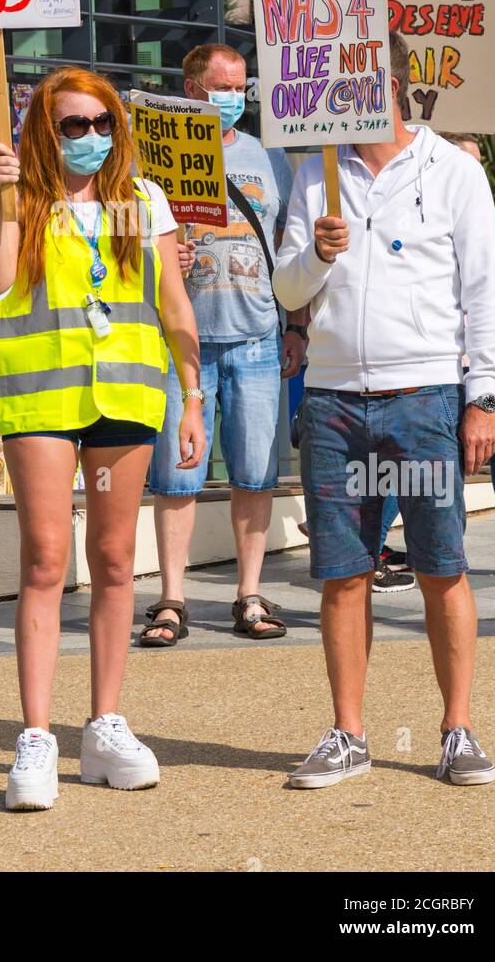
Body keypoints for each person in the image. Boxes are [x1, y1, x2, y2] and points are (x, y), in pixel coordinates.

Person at [273, 33, 495, 790]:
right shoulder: (312, 173)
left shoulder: (452, 172)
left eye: (359, 79)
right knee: (344, 573)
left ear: (395, 85)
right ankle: (347, 733)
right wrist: (316, 255)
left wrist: (480, 398)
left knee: (441, 566)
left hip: (424, 399)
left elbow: (482, 293)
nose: (342, 92)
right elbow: (285, 290)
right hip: (335, 401)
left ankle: (456, 730)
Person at [0, 67, 205, 811]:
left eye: (103, 123)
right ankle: (36, 735)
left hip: (126, 397)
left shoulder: (139, 201)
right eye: (74, 125)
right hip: (41, 397)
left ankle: (104, 724)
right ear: (46, 131)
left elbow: (173, 306)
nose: (91, 137)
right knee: (46, 559)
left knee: (113, 559)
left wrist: (193, 397)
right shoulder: (26, 199)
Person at [140, 44, 307, 646]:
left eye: (241, 86)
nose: (234, 97)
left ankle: (250, 594)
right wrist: (159, 259)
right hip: (181, 342)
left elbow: (290, 246)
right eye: (221, 87)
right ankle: (171, 599)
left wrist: (297, 326)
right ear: (191, 89)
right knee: (175, 476)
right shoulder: (152, 160)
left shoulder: (269, 158)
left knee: (255, 474)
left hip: (259, 337)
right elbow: (127, 246)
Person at [441, 135, 495, 576]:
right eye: (466, 160)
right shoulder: (443, 203)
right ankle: (371, 545)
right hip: (451, 361)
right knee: (418, 461)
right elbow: (473, 273)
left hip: (477, 366)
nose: (476, 171)